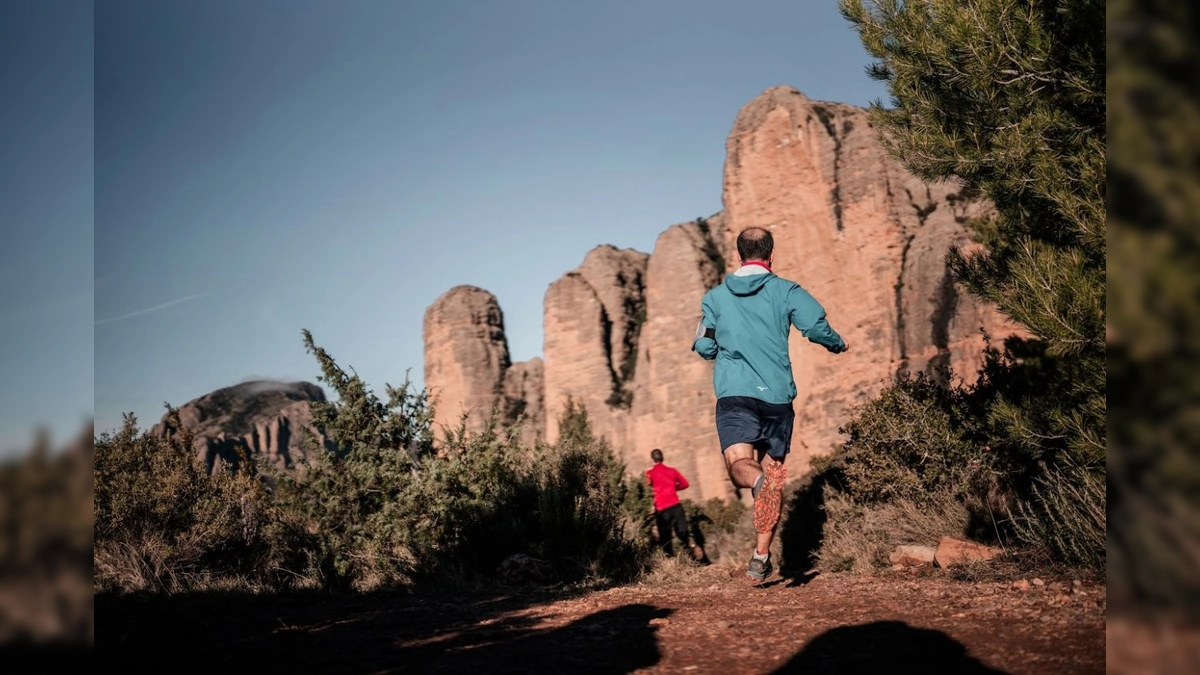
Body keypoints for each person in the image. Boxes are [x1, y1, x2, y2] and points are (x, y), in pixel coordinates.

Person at [691, 226, 848, 581]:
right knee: (773, 476)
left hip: (735, 395)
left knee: (741, 464)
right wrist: (839, 344)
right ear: (771, 255)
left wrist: (719, 350)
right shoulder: (787, 290)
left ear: (739, 255)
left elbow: (704, 345)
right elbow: (815, 326)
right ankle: (761, 555)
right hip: (777, 399)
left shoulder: (714, 299)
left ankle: (757, 484)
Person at [646, 448, 704, 561]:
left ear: (653, 459)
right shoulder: (672, 471)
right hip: (676, 506)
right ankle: (692, 545)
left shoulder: (650, 473)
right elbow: (685, 484)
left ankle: (670, 561)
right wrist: (673, 487)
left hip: (662, 509)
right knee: (682, 532)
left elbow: (647, 485)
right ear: (662, 458)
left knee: (665, 537)